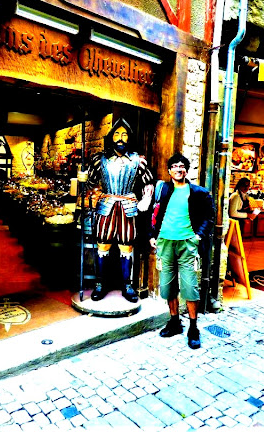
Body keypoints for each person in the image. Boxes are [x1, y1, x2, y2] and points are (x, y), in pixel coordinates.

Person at [149, 153, 214, 349]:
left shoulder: (198, 192)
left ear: (186, 170)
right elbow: (153, 213)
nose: (179, 169)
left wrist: (198, 236)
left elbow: (209, 216)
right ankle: (174, 322)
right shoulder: (162, 190)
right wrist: (152, 235)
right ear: (169, 170)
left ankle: (193, 328)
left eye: (182, 166)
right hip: (165, 243)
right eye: (175, 166)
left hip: (187, 244)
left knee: (190, 287)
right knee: (168, 286)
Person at [87, 118, 154, 303]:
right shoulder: (99, 160)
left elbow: (148, 182)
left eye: (124, 134)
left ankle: (127, 285)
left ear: (129, 137)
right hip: (106, 204)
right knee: (103, 246)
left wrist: (146, 198)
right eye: (117, 134)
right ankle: (100, 284)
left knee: (127, 246)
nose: (120, 138)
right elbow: (91, 182)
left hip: (128, 205)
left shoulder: (138, 161)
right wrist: (89, 187)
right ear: (111, 137)